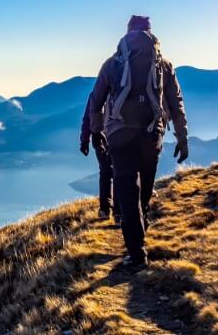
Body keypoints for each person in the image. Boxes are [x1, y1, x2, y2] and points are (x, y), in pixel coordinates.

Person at [89, 15, 188, 269]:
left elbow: (96, 100)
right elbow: (176, 102)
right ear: (151, 33)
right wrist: (182, 137)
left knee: (127, 191)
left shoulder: (112, 64)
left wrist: (97, 131)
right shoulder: (163, 65)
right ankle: (139, 235)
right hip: (151, 134)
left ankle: (137, 252)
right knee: (143, 189)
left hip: (120, 135)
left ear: (127, 32)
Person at [80, 94, 121, 225]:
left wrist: (84, 141)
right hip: (118, 137)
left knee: (105, 172)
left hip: (100, 138)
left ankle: (105, 210)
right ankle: (118, 212)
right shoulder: (121, 89)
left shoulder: (96, 93)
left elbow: (87, 118)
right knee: (117, 172)